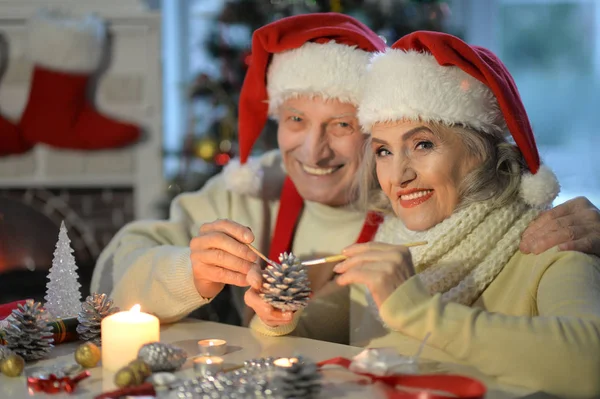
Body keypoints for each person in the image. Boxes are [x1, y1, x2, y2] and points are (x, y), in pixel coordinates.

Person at [91, 13, 600, 328]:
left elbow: (511, 228)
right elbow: (111, 275)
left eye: (340, 124)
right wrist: (188, 272)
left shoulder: (422, 203)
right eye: (295, 120)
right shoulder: (253, 187)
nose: (313, 150)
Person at [250, 32, 600, 396]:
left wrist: (417, 311)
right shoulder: (393, 238)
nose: (399, 176)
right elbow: (308, 331)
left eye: (423, 144)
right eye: (384, 151)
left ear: (481, 151)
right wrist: (278, 316)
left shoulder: (552, 240)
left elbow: (591, 365)